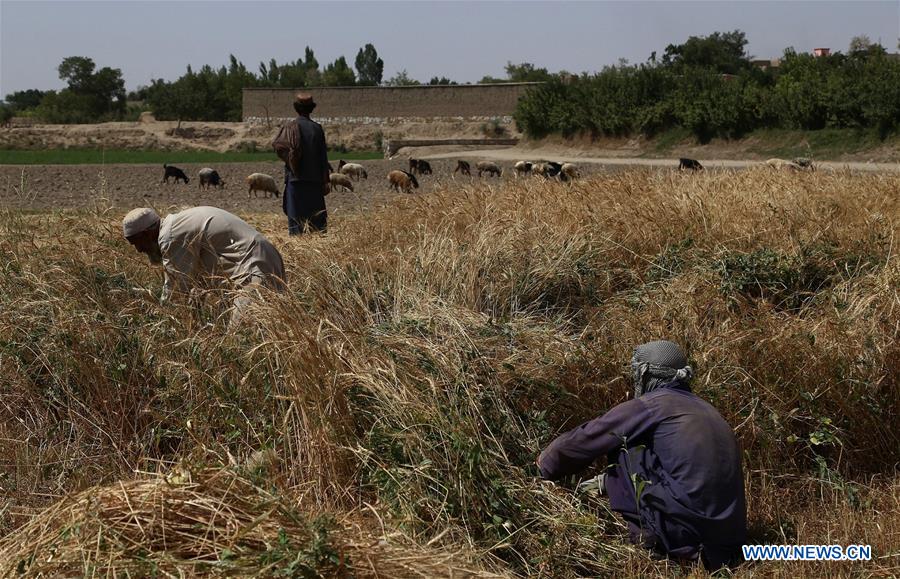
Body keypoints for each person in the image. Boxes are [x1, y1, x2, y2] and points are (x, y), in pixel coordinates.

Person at [537, 340, 746, 570]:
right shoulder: (708, 409)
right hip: (727, 545)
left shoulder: (655, 405)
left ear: (644, 373)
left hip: (686, 536)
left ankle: (647, 542)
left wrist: (542, 466)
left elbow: (588, 438)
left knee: (626, 442)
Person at [122, 206, 286, 327]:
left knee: (242, 335)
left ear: (147, 233)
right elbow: (196, 281)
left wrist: (159, 323)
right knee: (266, 327)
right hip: (262, 258)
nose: (139, 250)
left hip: (253, 267)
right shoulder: (178, 224)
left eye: (136, 243)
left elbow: (176, 289)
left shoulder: (170, 236)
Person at [282, 92, 330, 234]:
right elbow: (323, 158)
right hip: (315, 182)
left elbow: (280, 148)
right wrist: (325, 181)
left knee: (296, 224)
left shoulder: (289, 127)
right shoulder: (317, 129)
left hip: (295, 181)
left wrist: (291, 162)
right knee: (317, 225)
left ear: (296, 108)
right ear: (311, 109)